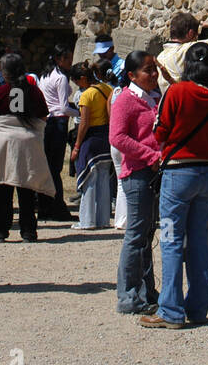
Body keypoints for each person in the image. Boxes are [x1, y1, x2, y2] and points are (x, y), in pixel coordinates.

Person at [140, 42, 208, 330]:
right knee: (200, 241)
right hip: (206, 172)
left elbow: (159, 132)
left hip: (178, 173)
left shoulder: (176, 92)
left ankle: (171, 310)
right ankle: (198, 306)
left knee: (170, 239)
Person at [0, 53, 54, 242]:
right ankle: (28, 231)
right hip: (28, 143)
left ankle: (0, 231)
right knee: (27, 188)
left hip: (2, 143)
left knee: (2, 187)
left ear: (5, 73)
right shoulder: (34, 92)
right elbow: (43, 117)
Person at [110, 51, 162, 315]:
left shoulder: (155, 97)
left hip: (154, 174)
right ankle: (128, 295)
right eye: (148, 70)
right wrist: (149, 154)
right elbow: (117, 137)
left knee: (147, 235)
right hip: (138, 174)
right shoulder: (125, 100)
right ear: (132, 75)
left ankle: (147, 291)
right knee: (135, 236)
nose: (154, 74)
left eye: (155, 68)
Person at [71, 59, 115, 230]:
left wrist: (76, 146)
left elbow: (84, 122)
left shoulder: (87, 95)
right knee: (104, 181)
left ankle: (87, 220)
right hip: (105, 137)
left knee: (88, 179)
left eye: (76, 81)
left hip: (91, 139)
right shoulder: (106, 88)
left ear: (83, 78)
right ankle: (103, 219)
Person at [36, 44, 77, 221]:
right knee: (56, 168)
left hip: (47, 122)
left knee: (48, 167)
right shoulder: (60, 78)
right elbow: (63, 107)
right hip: (58, 121)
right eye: (67, 59)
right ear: (59, 59)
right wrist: (81, 113)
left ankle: (45, 206)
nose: (70, 62)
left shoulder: (45, 75)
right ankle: (58, 207)